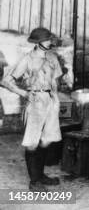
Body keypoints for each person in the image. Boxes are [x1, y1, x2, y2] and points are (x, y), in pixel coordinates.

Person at [1, 27, 65, 190]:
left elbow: (55, 82)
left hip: (50, 101)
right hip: (35, 101)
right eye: (48, 39)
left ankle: (40, 175)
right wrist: (23, 93)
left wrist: (56, 101)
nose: (51, 41)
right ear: (39, 42)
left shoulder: (52, 58)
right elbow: (6, 81)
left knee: (47, 140)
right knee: (32, 142)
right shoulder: (27, 59)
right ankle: (34, 181)